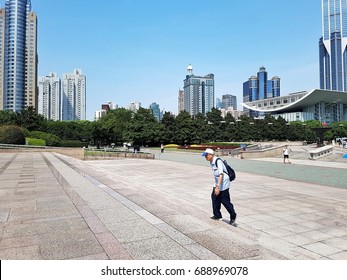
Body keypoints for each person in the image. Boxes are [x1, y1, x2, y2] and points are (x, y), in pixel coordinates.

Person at [202, 148, 237, 225]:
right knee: (214, 197)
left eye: (206, 155)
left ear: (211, 155)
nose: (205, 157)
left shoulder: (218, 161)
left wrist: (217, 187)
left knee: (225, 201)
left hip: (224, 183)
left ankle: (233, 215)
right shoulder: (212, 162)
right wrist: (216, 186)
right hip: (218, 182)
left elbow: (221, 174)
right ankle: (217, 215)